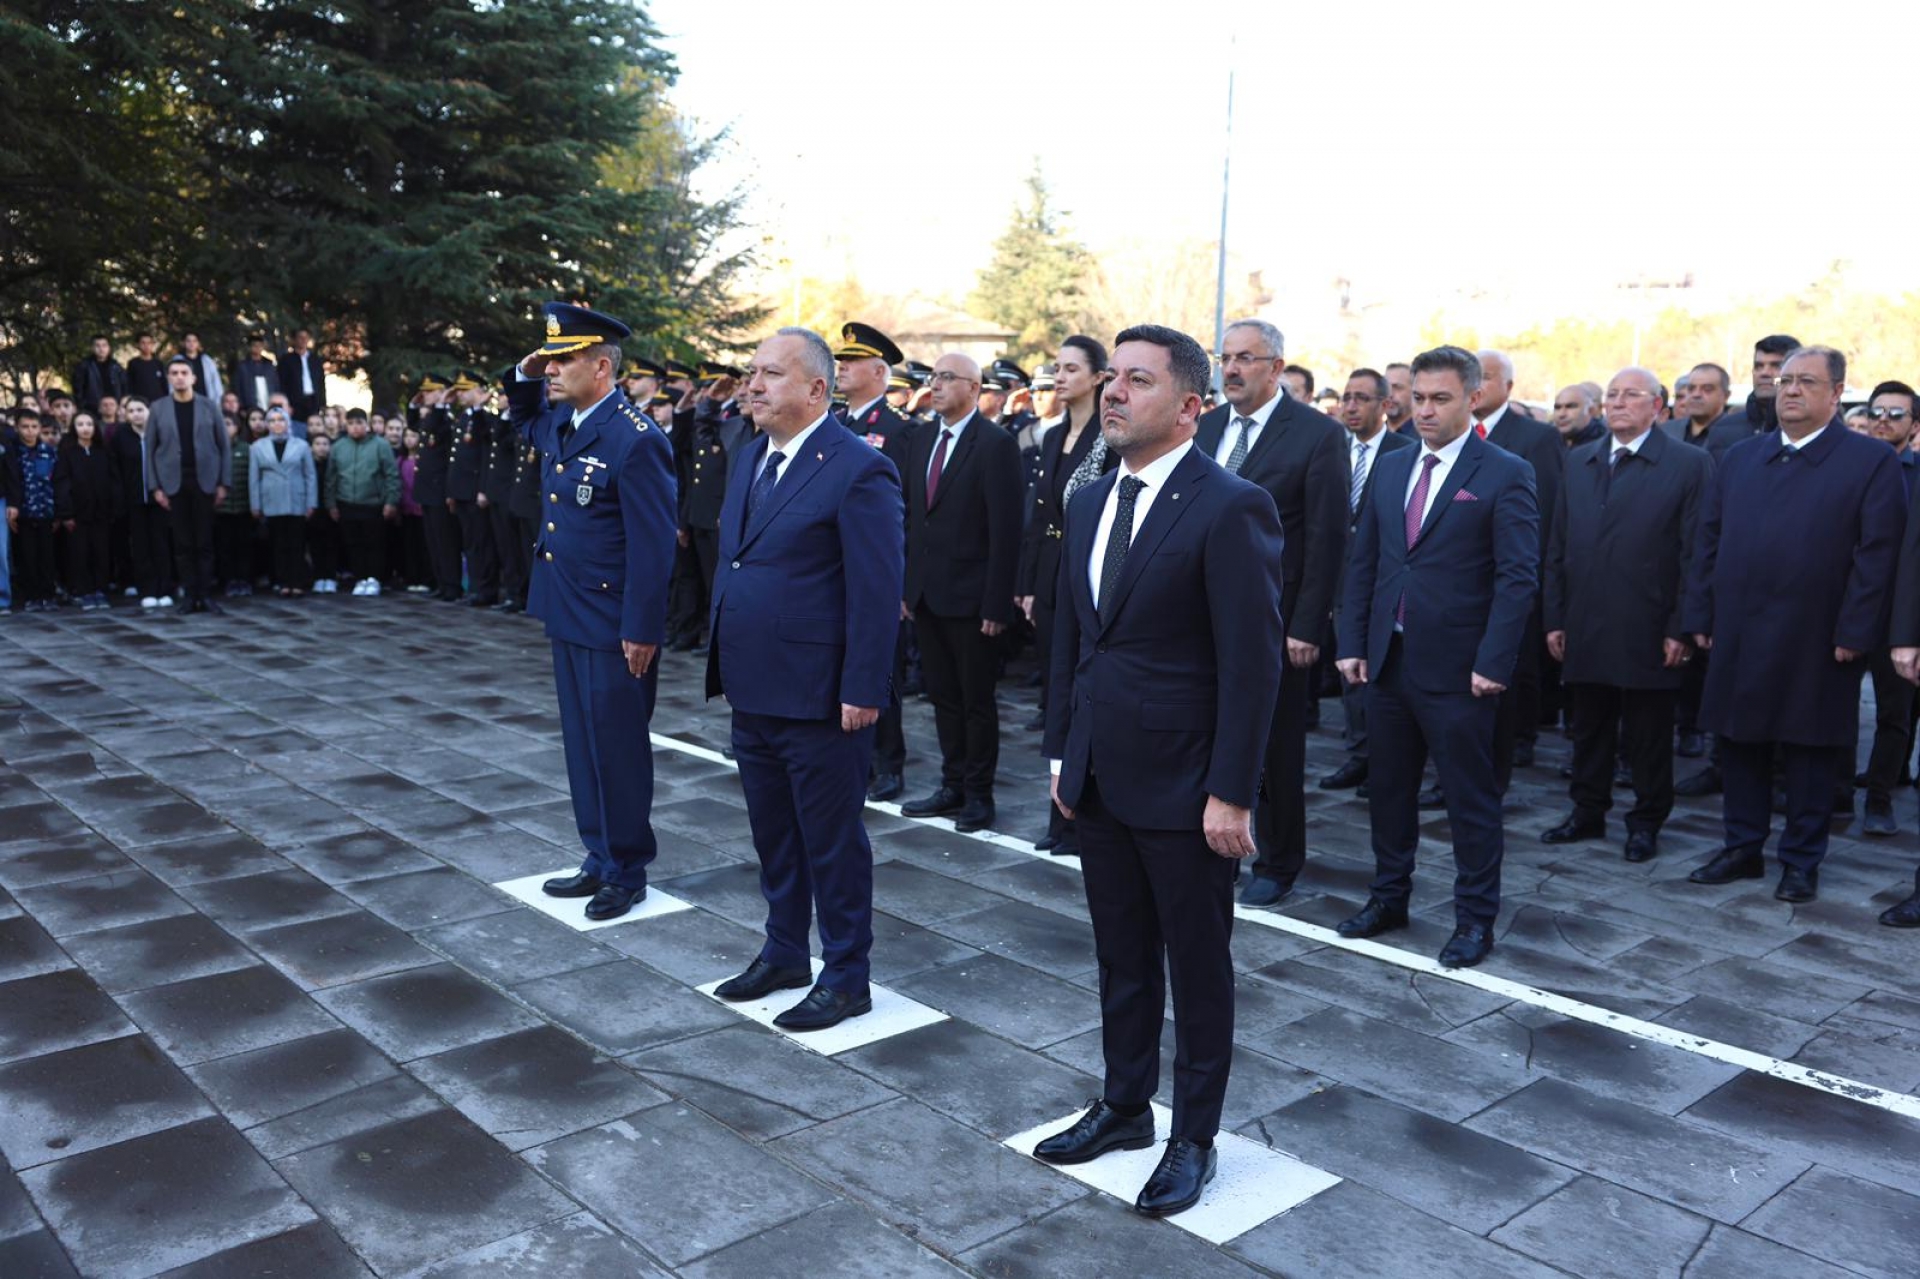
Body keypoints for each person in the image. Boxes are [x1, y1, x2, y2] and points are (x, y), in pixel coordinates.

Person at [1032, 324, 1284, 1219]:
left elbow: (1252, 664)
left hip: (1186, 786)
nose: (1114, 392)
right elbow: (1074, 641)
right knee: (1121, 955)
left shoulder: (1231, 505)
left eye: (1138, 380)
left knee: (1197, 968)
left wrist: (1232, 790)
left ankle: (1194, 1137)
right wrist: (1063, 752)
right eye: (1112, 376)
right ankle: (1124, 1105)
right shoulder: (1092, 498)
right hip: (1100, 774)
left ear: (1189, 406)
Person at [704, 328, 904, 1030]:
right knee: (774, 835)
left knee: (832, 841)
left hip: (820, 695)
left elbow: (877, 590)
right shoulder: (751, 455)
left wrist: (864, 687)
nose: (753, 385)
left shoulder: (859, 468)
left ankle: (847, 974)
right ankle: (785, 950)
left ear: (818, 389)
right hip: (753, 684)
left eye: (772, 374)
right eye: (752, 371)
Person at [1335, 344, 1539, 968]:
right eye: (1418, 398)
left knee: (1469, 802)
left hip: (1460, 671)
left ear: (1473, 399)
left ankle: (1474, 921)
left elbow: (1517, 578)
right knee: (1388, 793)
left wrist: (1493, 662)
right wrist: (1353, 643)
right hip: (1387, 662)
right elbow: (1366, 561)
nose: (1425, 410)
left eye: (1440, 399)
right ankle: (1387, 898)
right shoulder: (1393, 465)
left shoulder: (1505, 471)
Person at [1683, 346, 1906, 904]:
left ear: (1837, 394)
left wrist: (1856, 630)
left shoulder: (1869, 460)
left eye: (1806, 381)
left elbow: (1878, 553)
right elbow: (1708, 541)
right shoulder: (1741, 457)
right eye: (1785, 381)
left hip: (1819, 633)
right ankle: (1742, 846)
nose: (1791, 390)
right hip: (1740, 626)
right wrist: (1701, 612)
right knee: (1739, 740)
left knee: (1810, 748)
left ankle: (1801, 859)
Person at [507, 303, 678, 922]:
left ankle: (627, 870)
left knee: (618, 748)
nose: (551, 369)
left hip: (612, 622)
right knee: (582, 745)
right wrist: (524, 372)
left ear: (602, 368)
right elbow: (523, 417)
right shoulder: (565, 420)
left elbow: (654, 546)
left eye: (564, 359)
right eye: (549, 360)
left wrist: (642, 628)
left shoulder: (636, 439)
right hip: (568, 607)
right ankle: (599, 855)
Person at [1194, 319, 1349, 907]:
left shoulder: (1316, 434)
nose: (1231, 369)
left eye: (1245, 359)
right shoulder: (1206, 427)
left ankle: (1279, 861)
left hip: (1276, 621)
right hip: (1200, 615)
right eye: (1225, 358)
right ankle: (1212, 843)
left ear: (1276, 368)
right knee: (1206, 732)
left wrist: (1308, 624)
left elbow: (1328, 538)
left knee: (1274, 745)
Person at [1541, 368, 1712, 862]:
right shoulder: (1580, 460)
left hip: (1650, 624)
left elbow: (1696, 553)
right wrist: (1555, 616)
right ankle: (1586, 811)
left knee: (1648, 734)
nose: (1618, 402)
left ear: (1658, 407)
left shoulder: (1689, 464)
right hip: (1585, 619)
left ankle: (1646, 821)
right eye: (1612, 394)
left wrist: (1680, 626)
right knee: (1588, 726)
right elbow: (1558, 544)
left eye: (1631, 395)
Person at [896, 352, 1025, 831]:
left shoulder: (995, 444)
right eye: (934, 377)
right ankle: (951, 783)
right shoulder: (921, 437)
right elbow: (913, 518)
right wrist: (906, 586)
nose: (936, 385)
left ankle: (978, 794)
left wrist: (997, 602)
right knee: (942, 696)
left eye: (947, 378)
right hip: (927, 594)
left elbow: (1006, 531)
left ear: (973, 388)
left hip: (972, 599)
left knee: (976, 701)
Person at [1015, 335, 1116, 856]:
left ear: (1099, 378)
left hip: (1091, 576)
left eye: (1072, 369)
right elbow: (1040, 516)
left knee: (1086, 693)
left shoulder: (1111, 436)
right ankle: (1060, 816)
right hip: (1052, 574)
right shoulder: (1054, 435)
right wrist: (1028, 584)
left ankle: (1084, 815)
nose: (1060, 377)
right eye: (1057, 367)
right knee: (1057, 692)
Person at [1322, 368, 1414, 791]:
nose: (1351, 406)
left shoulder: (1405, 452)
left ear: (1385, 405)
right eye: (1347, 397)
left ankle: (1390, 758)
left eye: (1362, 398)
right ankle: (1360, 754)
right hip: (1341, 579)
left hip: (1388, 580)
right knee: (1350, 669)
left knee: (1385, 672)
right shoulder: (1331, 449)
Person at [1475, 350, 1561, 780]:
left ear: (1509, 386)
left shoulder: (1536, 438)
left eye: (1486, 377)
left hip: (1508, 578)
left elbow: (1543, 514)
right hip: (1458, 586)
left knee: (1506, 676)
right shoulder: (1445, 435)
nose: (1477, 385)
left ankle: (1501, 764)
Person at [1854, 380, 1920, 836]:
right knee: (1831, 704)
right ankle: (1835, 790)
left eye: (1896, 414)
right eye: (1877, 411)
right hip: (1845, 607)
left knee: (1894, 712)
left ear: (1914, 426)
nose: (1883, 420)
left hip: (1898, 613)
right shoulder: (1846, 469)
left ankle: (1880, 798)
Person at [146, 355, 232, 614]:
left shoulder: (209, 406)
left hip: (204, 481)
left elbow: (223, 446)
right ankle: (189, 596)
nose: (179, 377)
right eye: (174, 373)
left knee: (204, 542)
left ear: (193, 377)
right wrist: (155, 487)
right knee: (182, 544)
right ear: (169, 378)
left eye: (184, 372)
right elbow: (150, 450)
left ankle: (205, 595)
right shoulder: (158, 408)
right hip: (173, 483)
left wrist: (224, 483)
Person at [325, 410, 400, 596]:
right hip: (346, 502)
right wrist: (331, 504)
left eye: (359, 423)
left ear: (366, 424)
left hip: (373, 503)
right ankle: (360, 578)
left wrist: (391, 501)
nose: (355, 427)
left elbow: (391, 475)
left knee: (374, 543)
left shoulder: (380, 445)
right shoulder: (339, 447)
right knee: (353, 544)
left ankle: (374, 578)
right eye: (351, 423)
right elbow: (331, 478)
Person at [54, 412, 119, 610]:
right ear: (74, 428)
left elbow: (113, 480)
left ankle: (100, 590)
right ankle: (84, 591)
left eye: (89, 424)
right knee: (80, 553)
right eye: (80, 424)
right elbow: (62, 483)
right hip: (77, 514)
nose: (85, 428)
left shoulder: (103, 451)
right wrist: (66, 513)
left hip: (101, 513)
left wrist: (113, 507)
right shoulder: (67, 453)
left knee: (101, 552)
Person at [250, 406, 317, 595]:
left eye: (281, 420)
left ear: (288, 422)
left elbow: (310, 475)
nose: (277, 424)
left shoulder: (301, 445)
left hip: (297, 499)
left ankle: (297, 582)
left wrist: (311, 502)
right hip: (272, 500)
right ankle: (283, 582)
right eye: (272, 420)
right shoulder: (257, 447)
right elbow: (254, 478)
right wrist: (255, 504)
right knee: (278, 544)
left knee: (297, 543)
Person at [447, 369, 500, 606]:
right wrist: (452, 491)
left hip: (476, 491)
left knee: (482, 543)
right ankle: (475, 588)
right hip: (462, 491)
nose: (459, 394)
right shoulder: (464, 418)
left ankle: (486, 591)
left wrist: (482, 489)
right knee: (470, 543)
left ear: (478, 391)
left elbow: (486, 456)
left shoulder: (484, 418)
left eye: (464, 390)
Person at [408, 373, 461, 601]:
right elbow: (414, 425)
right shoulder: (432, 418)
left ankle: (452, 586)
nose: (425, 395)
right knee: (434, 542)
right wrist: (413, 405)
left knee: (445, 541)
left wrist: (440, 405)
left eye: (430, 392)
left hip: (440, 489)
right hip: (427, 490)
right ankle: (441, 583)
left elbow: (434, 429)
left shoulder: (446, 419)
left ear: (441, 393)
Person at [7, 412, 59, 612]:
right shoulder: (13, 453)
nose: (30, 431)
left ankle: (49, 594)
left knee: (47, 556)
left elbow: (55, 481)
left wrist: (58, 512)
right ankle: (32, 596)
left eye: (34, 427)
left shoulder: (48, 451)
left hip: (46, 511)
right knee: (28, 557)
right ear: (17, 428)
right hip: (24, 513)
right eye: (25, 427)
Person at [832, 322, 910, 448]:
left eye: (853, 359)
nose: (842, 366)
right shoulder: (832, 418)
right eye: (842, 360)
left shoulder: (899, 428)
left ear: (878, 372)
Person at [278, 329, 328, 423]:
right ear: (294, 340)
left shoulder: (315, 360)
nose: (303, 340)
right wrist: (285, 403)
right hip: (294, 402)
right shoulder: (286, 360)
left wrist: (323, 404)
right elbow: (282, 383)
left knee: (314, 425)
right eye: (300, 337)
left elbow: (321, 383)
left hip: (313, 400)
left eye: (306, 337)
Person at [72, 335, 128, 417]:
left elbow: (124, 386)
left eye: (104, 345)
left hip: (114, 409)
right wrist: (83, 406)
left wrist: (122, 405)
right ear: (92, 348)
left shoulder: (116, 366)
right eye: (97, 346)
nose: (101, 349)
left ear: (109, 348)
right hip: (92, 409)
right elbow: (78, 390)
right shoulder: (84, 366)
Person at [234, 332, 282, 413]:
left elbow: (276, 385)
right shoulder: (242, 367)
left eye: (260, 345)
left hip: (270, 406)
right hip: (250, 407)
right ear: (249, 347)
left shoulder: (269, 365)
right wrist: (241, 408)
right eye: (254, 345)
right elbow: (238, 388)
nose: (257, 348)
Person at [1551, 384, 1604, 449]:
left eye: (1570, 407)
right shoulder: (1548, 440)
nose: (1561, 414)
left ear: (1590, 411)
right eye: (1557, 407)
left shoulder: (1605, 444)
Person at [176, 332, 224, 404]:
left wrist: (218, 401)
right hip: (184, 402)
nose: (191, 343)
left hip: (205, 401)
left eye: (194, 341)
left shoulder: (207, 361)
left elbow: (216, 382)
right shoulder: (177, 361)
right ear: (183, 343)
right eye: (188, 341)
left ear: (198, 343)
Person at [126, 333, 168, 404]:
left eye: (149, 343)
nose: (146, 346)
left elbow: (164, 383)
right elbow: (129, 384)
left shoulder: (158, 363)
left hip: (158, 401)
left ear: (152, 345)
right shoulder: (133, 363)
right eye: (143, 343)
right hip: (140, 402)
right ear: (138, 345)